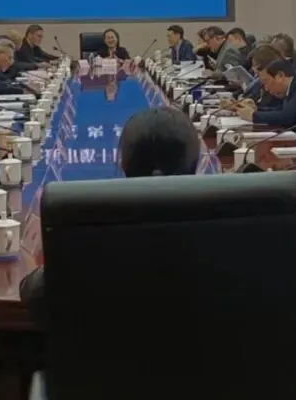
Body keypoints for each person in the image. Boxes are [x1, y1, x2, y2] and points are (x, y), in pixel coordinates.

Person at [19, 107, 201, 325]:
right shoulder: (228, 236)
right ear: (195, 164)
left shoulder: (91, 242)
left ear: (124, 164)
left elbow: (35, 294)